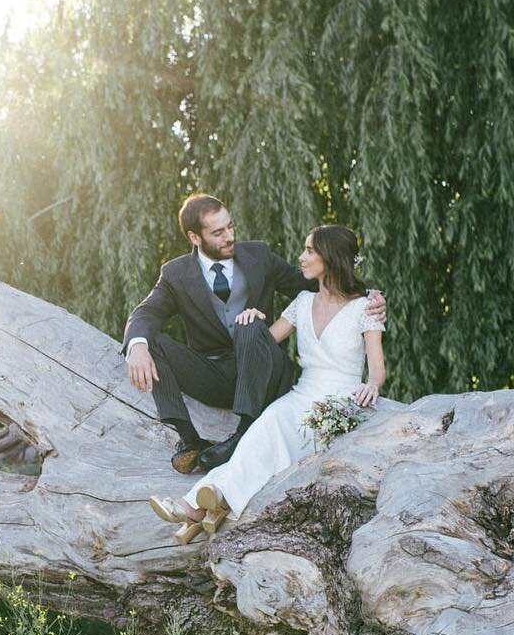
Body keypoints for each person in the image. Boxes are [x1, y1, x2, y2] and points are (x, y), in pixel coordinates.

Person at [149, 225, 386, 542]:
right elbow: (266, 345)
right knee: (264, 430)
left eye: (309, 251)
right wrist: (252, 322)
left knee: (272, 449)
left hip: (338, 403)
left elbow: (378, 369)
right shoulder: (303, 302)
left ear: (329, 258)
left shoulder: (364, 308)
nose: (301, 257)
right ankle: (205, 503)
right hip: (299, 395)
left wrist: (371, 386)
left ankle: (198, 504)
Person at [123, 194, 385, 473]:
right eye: (218, 232)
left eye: (230, 226)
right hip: (215, 374)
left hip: (265, 370)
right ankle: (188, 441)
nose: (229, 236)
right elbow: (145, 313)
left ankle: (243, 433)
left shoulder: (258, 256)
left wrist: (366, 297)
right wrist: (136, 346)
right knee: (148, 342)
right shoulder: (175, 274)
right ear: (194, 237)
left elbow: (314, 284)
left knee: (249, 324)